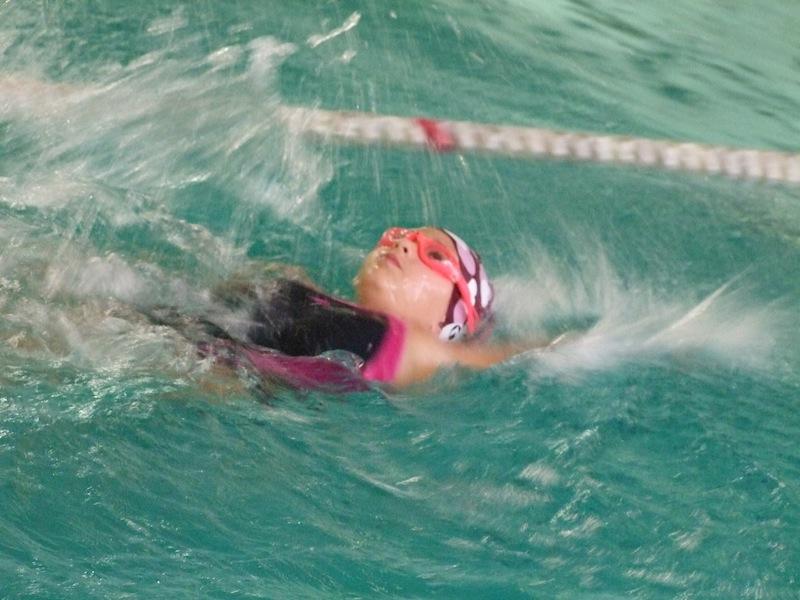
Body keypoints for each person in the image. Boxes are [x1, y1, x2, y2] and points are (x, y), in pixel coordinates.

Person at [154, 226, 554, 391]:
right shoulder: (311, 291)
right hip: (175, 330)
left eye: (433, 254)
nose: (403, 245)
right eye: (401, 236)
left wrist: (578, 344)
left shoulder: (420, 347)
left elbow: (500, 357)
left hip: (198, 368)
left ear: (448, 322)